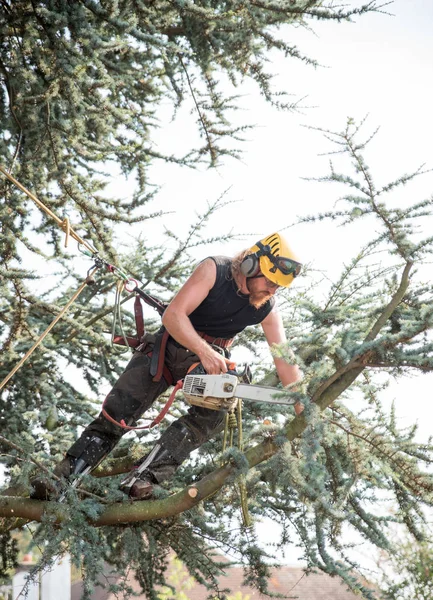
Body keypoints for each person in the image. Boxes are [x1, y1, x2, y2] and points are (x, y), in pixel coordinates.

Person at [31, 232, 303, 501]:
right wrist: (205, 352)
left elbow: (284, 359)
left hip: (205, 362)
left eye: (278, 285)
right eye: (269, 280)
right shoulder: (215, 271)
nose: (273, 289)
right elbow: (174, 316)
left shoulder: (267, 307)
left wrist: (303, 405)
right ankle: (61, 480)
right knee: (118, 414)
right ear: (250, 266)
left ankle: (143, 481)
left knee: (215, 411)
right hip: (165, 349)